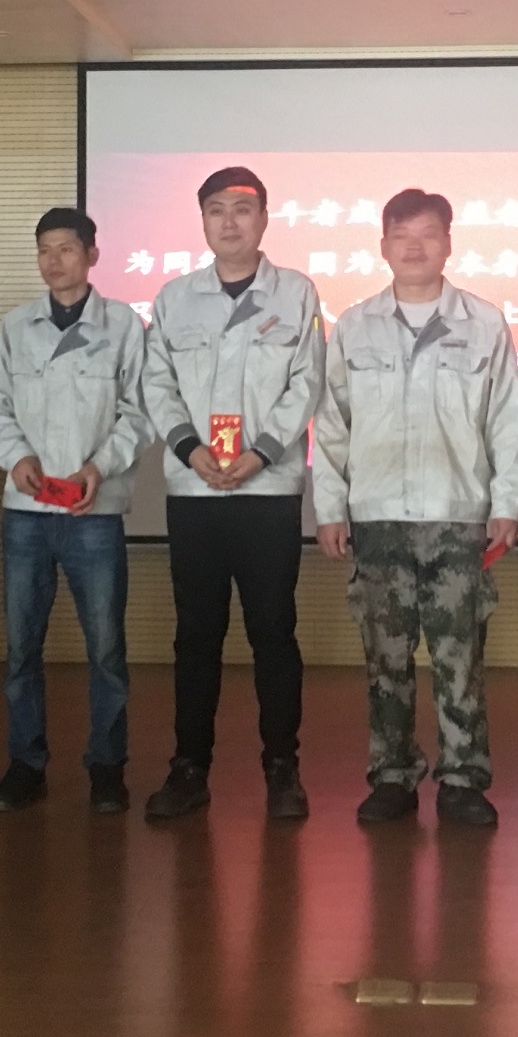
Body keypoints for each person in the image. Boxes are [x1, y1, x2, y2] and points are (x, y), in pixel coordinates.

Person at [314, 188, 518, 828]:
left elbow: (506, 422)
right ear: (383, 246)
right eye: (401, 235)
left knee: (461, 658)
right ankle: (392, 777)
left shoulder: (483, 322)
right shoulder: (354, 326)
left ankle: (463, 779)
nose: (414, 246)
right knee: (386, 659)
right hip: (378, 516)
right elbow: (332, 425)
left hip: (458, 516)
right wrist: (330, 508)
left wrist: (507, 503)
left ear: (448, 244)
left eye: (428, 233)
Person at [141, 169, 324, 821]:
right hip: (194, 491)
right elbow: (156, 382)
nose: (229, 222)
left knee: (273, 631)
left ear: (264, 219)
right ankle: (189, 768)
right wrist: (191, 449)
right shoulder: (174, 298)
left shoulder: (296, 293)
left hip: (267, 489)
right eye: (215, 209)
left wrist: (261, 452)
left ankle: (282, 768)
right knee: (196, 635)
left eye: (242, 210)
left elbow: (307, 381)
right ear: (202, 221)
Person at [0, 207, 153, 815]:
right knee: (21, 647)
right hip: (26, 510)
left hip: (92, 512)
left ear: (93, 255)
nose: (54, 261)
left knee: (105, 648)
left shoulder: (124, 325)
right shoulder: (16, 326)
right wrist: (16, 457)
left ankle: (107, 766)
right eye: (44, 250)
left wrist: (99, 468)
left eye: (67, 249)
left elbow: (139, 412)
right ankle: (26, 765)